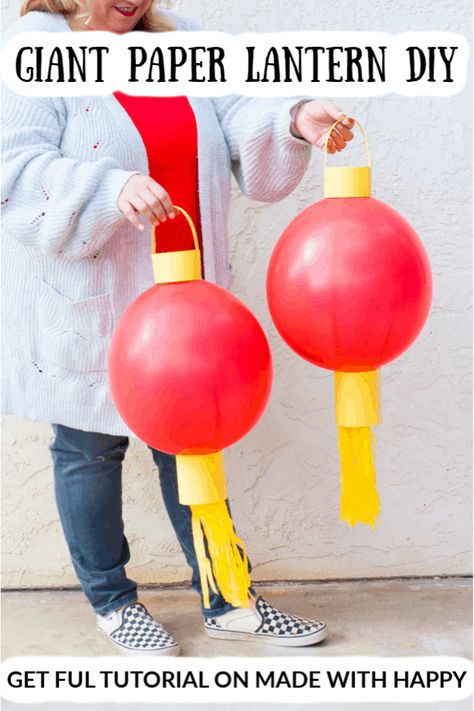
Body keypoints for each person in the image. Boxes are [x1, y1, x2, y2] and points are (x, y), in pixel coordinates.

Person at [2, 0, 354, 656]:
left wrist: (295, 118)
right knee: (89, 450)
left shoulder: (179, 40)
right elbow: (13, 167)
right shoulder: (36, 45)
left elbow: (240, 110)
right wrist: (107, 188)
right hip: (92, 298)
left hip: (185, 295)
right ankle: (113, 602)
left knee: (194, 442)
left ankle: (229, 599)